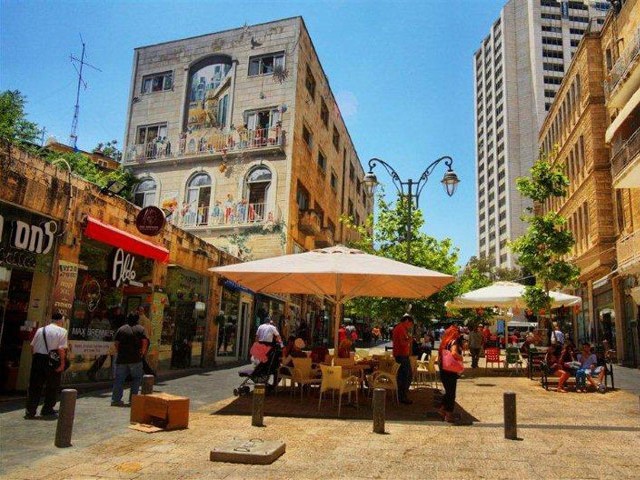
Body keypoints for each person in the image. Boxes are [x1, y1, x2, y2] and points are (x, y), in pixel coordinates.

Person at [25, 313, 68, 419]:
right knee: (52, 386)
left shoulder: (41, 330)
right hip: (52, 361)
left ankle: (30, 410)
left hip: (38, 359)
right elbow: (61, 349)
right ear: (61, 321)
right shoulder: (62, 331)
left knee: (35, 386)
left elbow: (32, 346)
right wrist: (62, 363)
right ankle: (47, 409)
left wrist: (35, 359)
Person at [111, 313, 148, 406]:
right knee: (136, 378)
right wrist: (142, 352)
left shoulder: (121, 329)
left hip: (122, 358)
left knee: (119, 379)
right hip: (135, 358)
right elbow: (145, 341)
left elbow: (116, 343)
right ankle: (133, 400)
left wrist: (119, 351)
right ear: (137, 319)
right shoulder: (141, 329)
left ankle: (115, 400)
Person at [438, 325, 463, 423]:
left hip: (443, 369)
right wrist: (461, 357)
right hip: (450, 370)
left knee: (448, 391)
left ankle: (442, 409)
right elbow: (453, 353)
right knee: (451, 393)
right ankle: (449, 415)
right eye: (457, 332)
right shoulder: (453, 342)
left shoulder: (444, 342)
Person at [392, 313, 414, 405]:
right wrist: (410, 339)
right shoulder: (400, 328)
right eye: (410, 324)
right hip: (401, 355)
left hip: (401, 355)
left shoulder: (401, 328)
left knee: (402, 376)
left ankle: (401, 395)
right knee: (407, 376)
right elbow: (402, 343)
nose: (410, 326)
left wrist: (408, 338)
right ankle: (403, 396)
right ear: (406, 321)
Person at [138, 306, 156, 376]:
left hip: (142, 340)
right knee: (142, 357)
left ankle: (149, 372)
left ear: (140, 311)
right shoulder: (148, 320)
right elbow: (150, 332)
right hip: (147, 340)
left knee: (140, 357)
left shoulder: (140, 319)